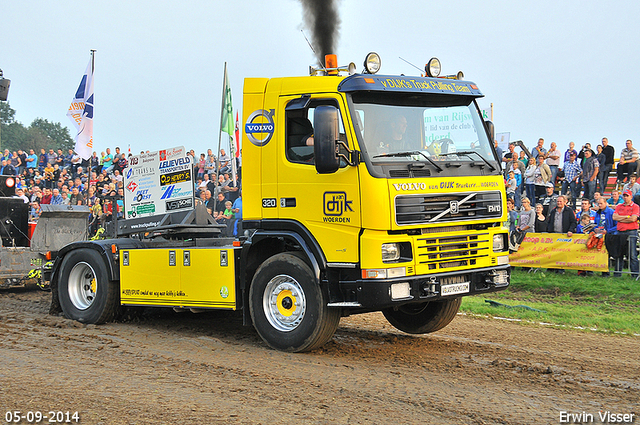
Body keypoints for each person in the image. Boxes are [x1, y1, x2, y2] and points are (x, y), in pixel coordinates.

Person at [612, 190, 639, 278]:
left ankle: (635, 274)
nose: (625, 197)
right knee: (619, 253)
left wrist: (621, 219)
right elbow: (614, 217)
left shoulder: (635, 206)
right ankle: (617, 274)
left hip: (631, 231)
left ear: (631, 197)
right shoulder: (619, 206)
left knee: (632, 254)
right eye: (624, 196)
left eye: (627, 196)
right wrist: (627, 217)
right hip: (620, 231)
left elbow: (633, 219)